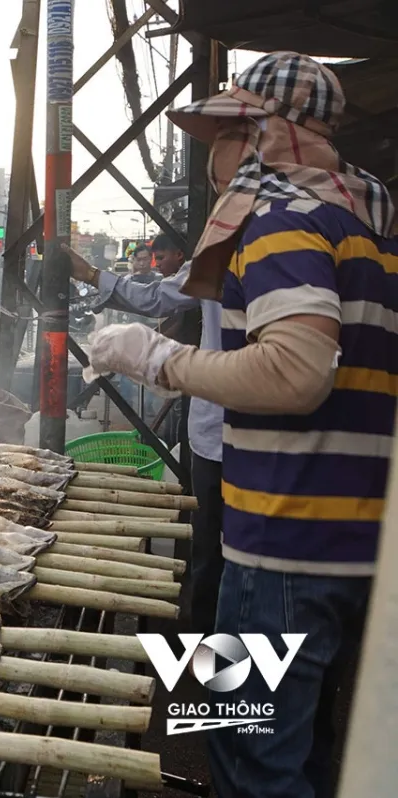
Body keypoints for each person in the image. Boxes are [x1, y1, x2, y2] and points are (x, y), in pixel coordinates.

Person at [86, 51, 397, 798]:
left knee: (242, 750)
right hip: (351, 536)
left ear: (264, 136)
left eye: (224, 137)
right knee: (306, 739)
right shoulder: (367, 225)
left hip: (283, 539)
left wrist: (157, 358)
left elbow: (293, 373)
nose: (212, 160)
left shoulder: (286, 221)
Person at [65, 242, 224, 637]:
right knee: (210, 547)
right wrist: (90, 274)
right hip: (213, 433)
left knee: (245, 555)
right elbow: (158, 297)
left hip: (256, 435)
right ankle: (209, 643)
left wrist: (166, 363)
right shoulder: (219, 251)